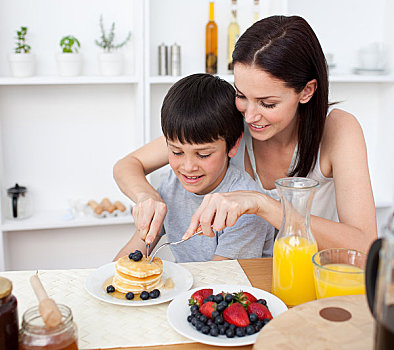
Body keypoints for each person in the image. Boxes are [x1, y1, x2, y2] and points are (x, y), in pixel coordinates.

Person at [114, 16, 377, 254]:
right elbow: (129, 165)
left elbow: (364, 245)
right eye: (241, 95)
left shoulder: (338, 129)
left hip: (314, 286)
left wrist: (261, 204)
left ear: (307, 91)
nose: (249, 116)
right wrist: (148, 197)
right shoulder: (230, 118)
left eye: (267, 103)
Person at [114, 73, 274, 262]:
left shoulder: (244, 207)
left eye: (203, 155)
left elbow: (222, 284)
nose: (188, 167)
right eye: (176, 152)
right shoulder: (172, 184)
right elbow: (129, 257)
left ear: (233, 146)